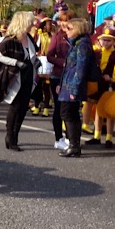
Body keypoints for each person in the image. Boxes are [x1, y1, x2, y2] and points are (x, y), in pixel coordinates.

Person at [0, 11, 39, 151]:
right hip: (16, 76)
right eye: (30, 22)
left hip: (28, 75)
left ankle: (15, 136)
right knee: (15, 107)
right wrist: (16, 63)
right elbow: (0, 57)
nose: (33, 24)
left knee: (23, 107)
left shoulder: (29, 38)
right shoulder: (11, 39)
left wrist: (36, 63)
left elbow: (33, 55)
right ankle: (10, 137)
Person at [57, 18, 93, 158]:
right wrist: (61, 84)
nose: (67, 31)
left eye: (70, 28)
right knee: (69, 114)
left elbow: (80, 69)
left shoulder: (82, 45)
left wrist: (74, 89)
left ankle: (74, 145)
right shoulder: (76, 43)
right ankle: (74, 145)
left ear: (78, 29)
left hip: (73, 85)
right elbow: (68, 67)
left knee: (68, 114)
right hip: (67, 84)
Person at [85, 27, 115, 149]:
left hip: (111, 85)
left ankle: (109, 137)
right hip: (98, 84)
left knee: (109, 111)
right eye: (104, 40)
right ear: (99, 41)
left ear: (114, 42)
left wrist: (112, 78)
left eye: (109, 40)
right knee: (98, 109)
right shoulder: (97, 53)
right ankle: (97, 135)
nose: (106, 43)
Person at [47, 13, 71, 148]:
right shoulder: (57, 37)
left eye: (66, 21)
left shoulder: (75, 36)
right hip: (58, 75)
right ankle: (58, 138)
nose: (63, 24)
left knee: (70, 108)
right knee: (59, 107)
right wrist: (62, 62)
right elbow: (49, 55)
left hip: (71, 76)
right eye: (61, 21)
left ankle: (69, 136)